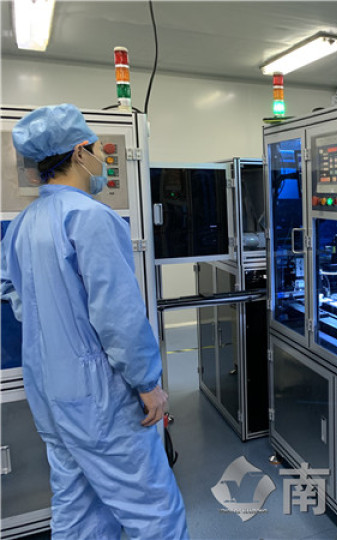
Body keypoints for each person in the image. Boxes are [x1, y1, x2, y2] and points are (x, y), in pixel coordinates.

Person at [1, 104, 188, 539]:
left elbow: (13, 292)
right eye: (97, 149)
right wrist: (148, 383)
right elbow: (118, 315)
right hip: (99, 400)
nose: (102, 158)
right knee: (153, 509)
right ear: (80, 152)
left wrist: (55, 328)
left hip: (49, 392)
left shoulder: (24, 223)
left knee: (77, 505)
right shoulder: (90, 217)